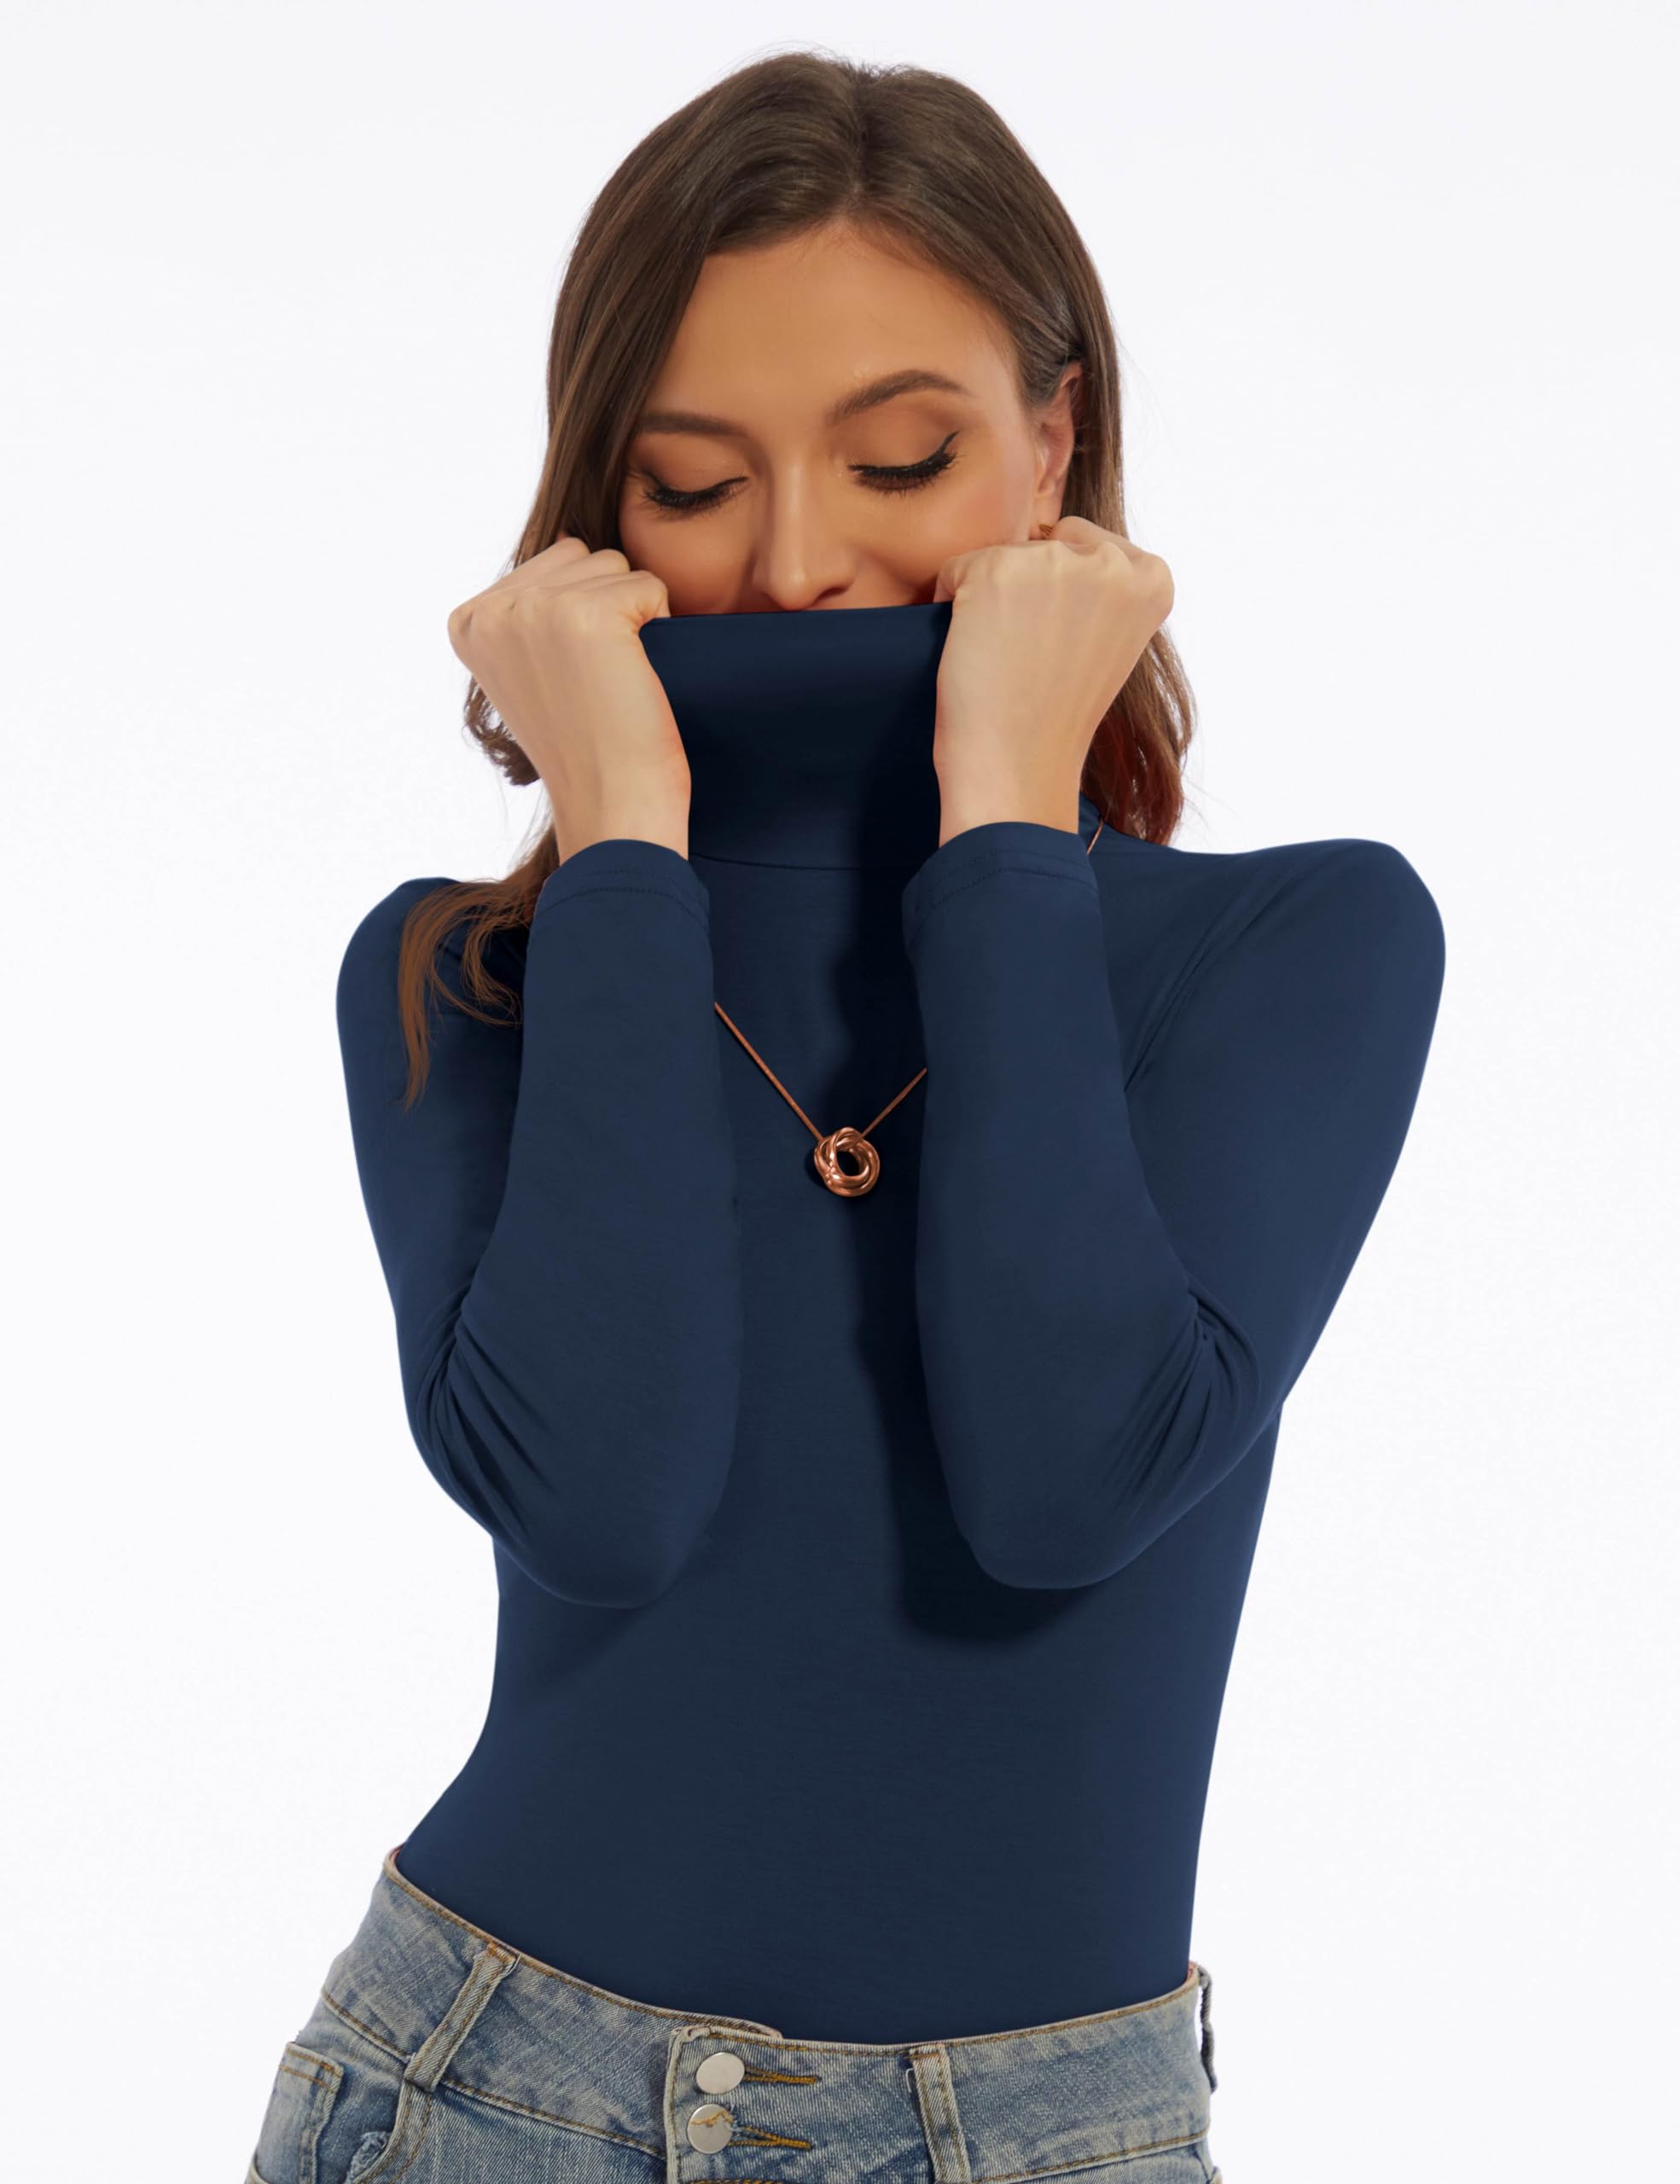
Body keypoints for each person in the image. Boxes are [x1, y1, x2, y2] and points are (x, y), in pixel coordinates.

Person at [246, 51, 1444, 2184]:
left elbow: (1065, 1478)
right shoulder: (466, 983)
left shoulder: (1297, 946)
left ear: (1052, 440)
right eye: (694, 483)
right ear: (599, 518)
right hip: (485, 2100)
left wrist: (1005, 818)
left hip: (1042, 2134)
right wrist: (626, 841)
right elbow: (604, 1497)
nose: (800, 562)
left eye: (900, 457)